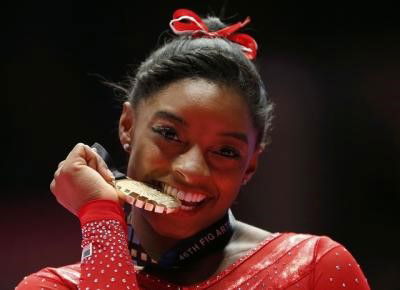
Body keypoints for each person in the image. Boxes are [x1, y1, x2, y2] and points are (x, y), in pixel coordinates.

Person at [16, 8, 370, 289]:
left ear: (250, 166)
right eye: (170, 134)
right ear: (127, 126)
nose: (193, 169)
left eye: (226, 152)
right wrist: (100, 218)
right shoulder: (51, 287)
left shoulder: (313, 270)